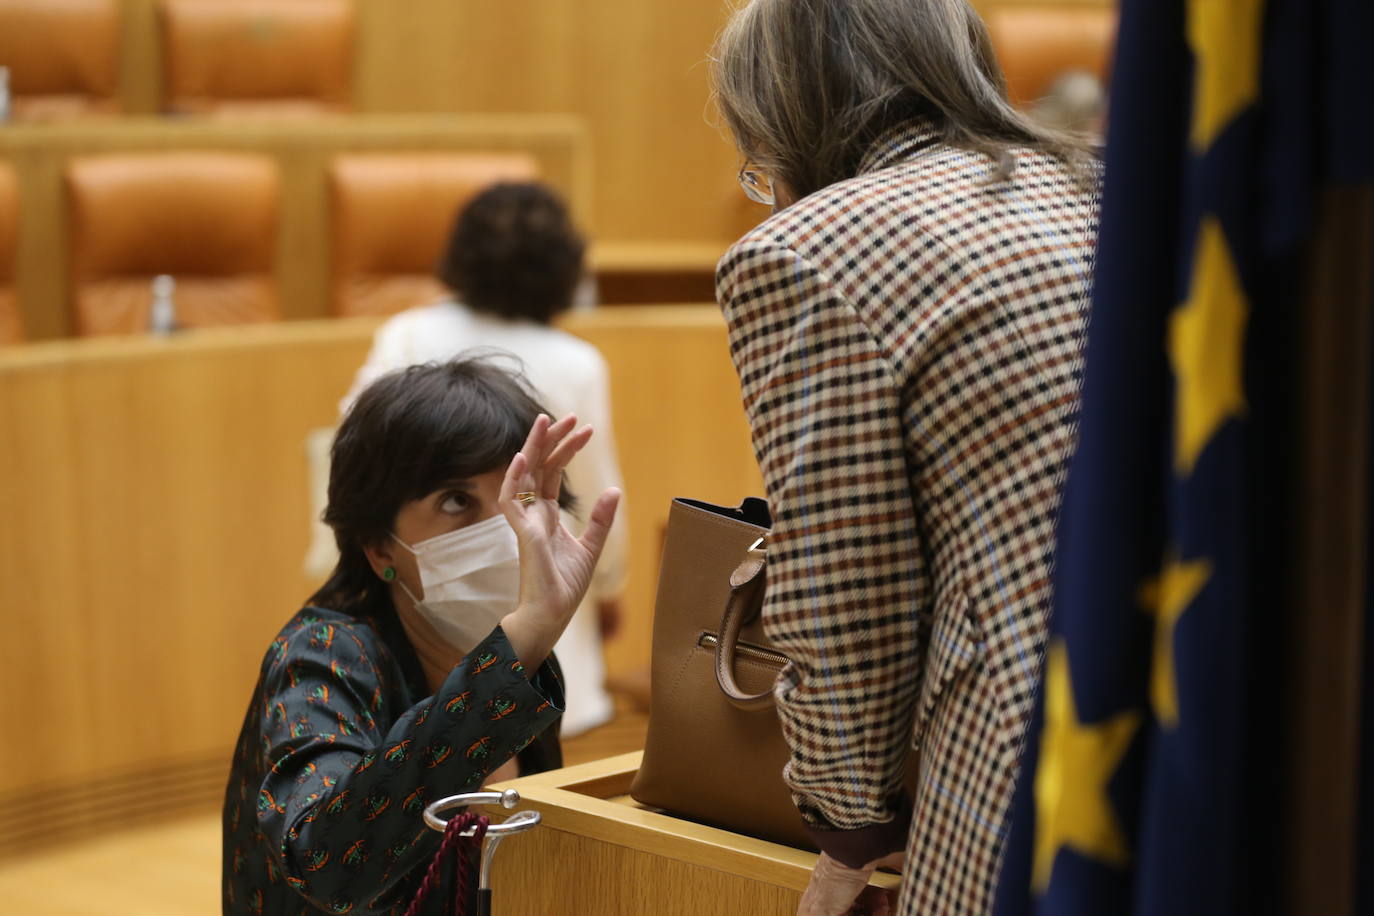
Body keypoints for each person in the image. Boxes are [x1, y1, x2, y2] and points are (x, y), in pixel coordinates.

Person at [709, 1, 1100, 913]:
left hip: (1026, 760)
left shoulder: (810, 247)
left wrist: (849, 829)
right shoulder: (1118, 183)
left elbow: (848, 585)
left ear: (789, 111)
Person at [223, 358, 620, 915]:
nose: (506, 529)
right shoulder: (320, 653)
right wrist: (525, 638)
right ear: (378, 545)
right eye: (457, 501)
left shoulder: (518, 662)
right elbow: (327, 863)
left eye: (518, 494)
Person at [344, 182, 626, 737]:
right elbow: (595, 497)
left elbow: (352, 464)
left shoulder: (405, 334)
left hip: (418, 593)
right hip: (536, 581)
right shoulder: (577, 362)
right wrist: (609, 586)